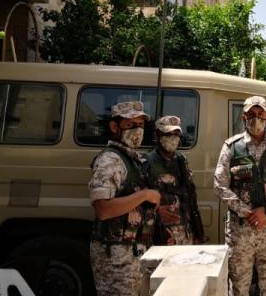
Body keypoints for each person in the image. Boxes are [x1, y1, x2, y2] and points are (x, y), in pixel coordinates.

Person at [213, 96, 266, 296]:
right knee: (239, 289)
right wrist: (248, 212)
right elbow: (219, 185)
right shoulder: (232, 147)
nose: (256, 118)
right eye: (251, 114)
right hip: (240, 231)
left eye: (260, 114)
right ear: (244, 117)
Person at [88, 101, 160, 296]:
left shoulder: (133, 159)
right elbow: (103, 209)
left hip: (134, 253)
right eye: (130, 124)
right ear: (114, 127)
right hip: (116, 257)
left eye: (141, 125)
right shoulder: (110, 160)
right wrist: (144, 195)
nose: (137, 130)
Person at [147, 115, 205, 245]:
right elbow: (142, 199)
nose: (173, 138)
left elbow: (191, 197)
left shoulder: (181, 161)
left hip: (185, 231)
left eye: (176, 134)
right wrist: (156, 212)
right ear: (158, 135)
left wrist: (198, 232)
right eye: (168, 134)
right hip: (162, 233)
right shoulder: (148, 162)